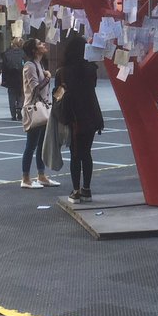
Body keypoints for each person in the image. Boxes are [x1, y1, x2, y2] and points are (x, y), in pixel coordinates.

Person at [54, 31, 104, 203]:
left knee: (75, 154)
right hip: (91, 114)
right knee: (86, 153)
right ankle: (86, 189)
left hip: (73, 116)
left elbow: (58, 94)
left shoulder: (62, 72)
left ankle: (75, 191)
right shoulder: (91, 69)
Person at [20, 39, 59, 189]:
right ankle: (26, 178)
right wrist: (48, 77)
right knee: (31, 145)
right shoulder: (29, 66)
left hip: (43, 108)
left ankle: (41, 175)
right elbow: (35, 88)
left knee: (41, 144)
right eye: (39, 44)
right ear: (34, 50)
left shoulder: (39, 64)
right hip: (34, 109)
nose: (43, 44)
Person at [1, 37, 26, 122]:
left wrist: (4, 80)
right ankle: (19, 107)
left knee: (11, 96)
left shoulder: (7, 54)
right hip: (21, 77)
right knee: (21, 95)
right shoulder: (24, 54)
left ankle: (13, 114)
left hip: (10, 78)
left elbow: (4, 68)